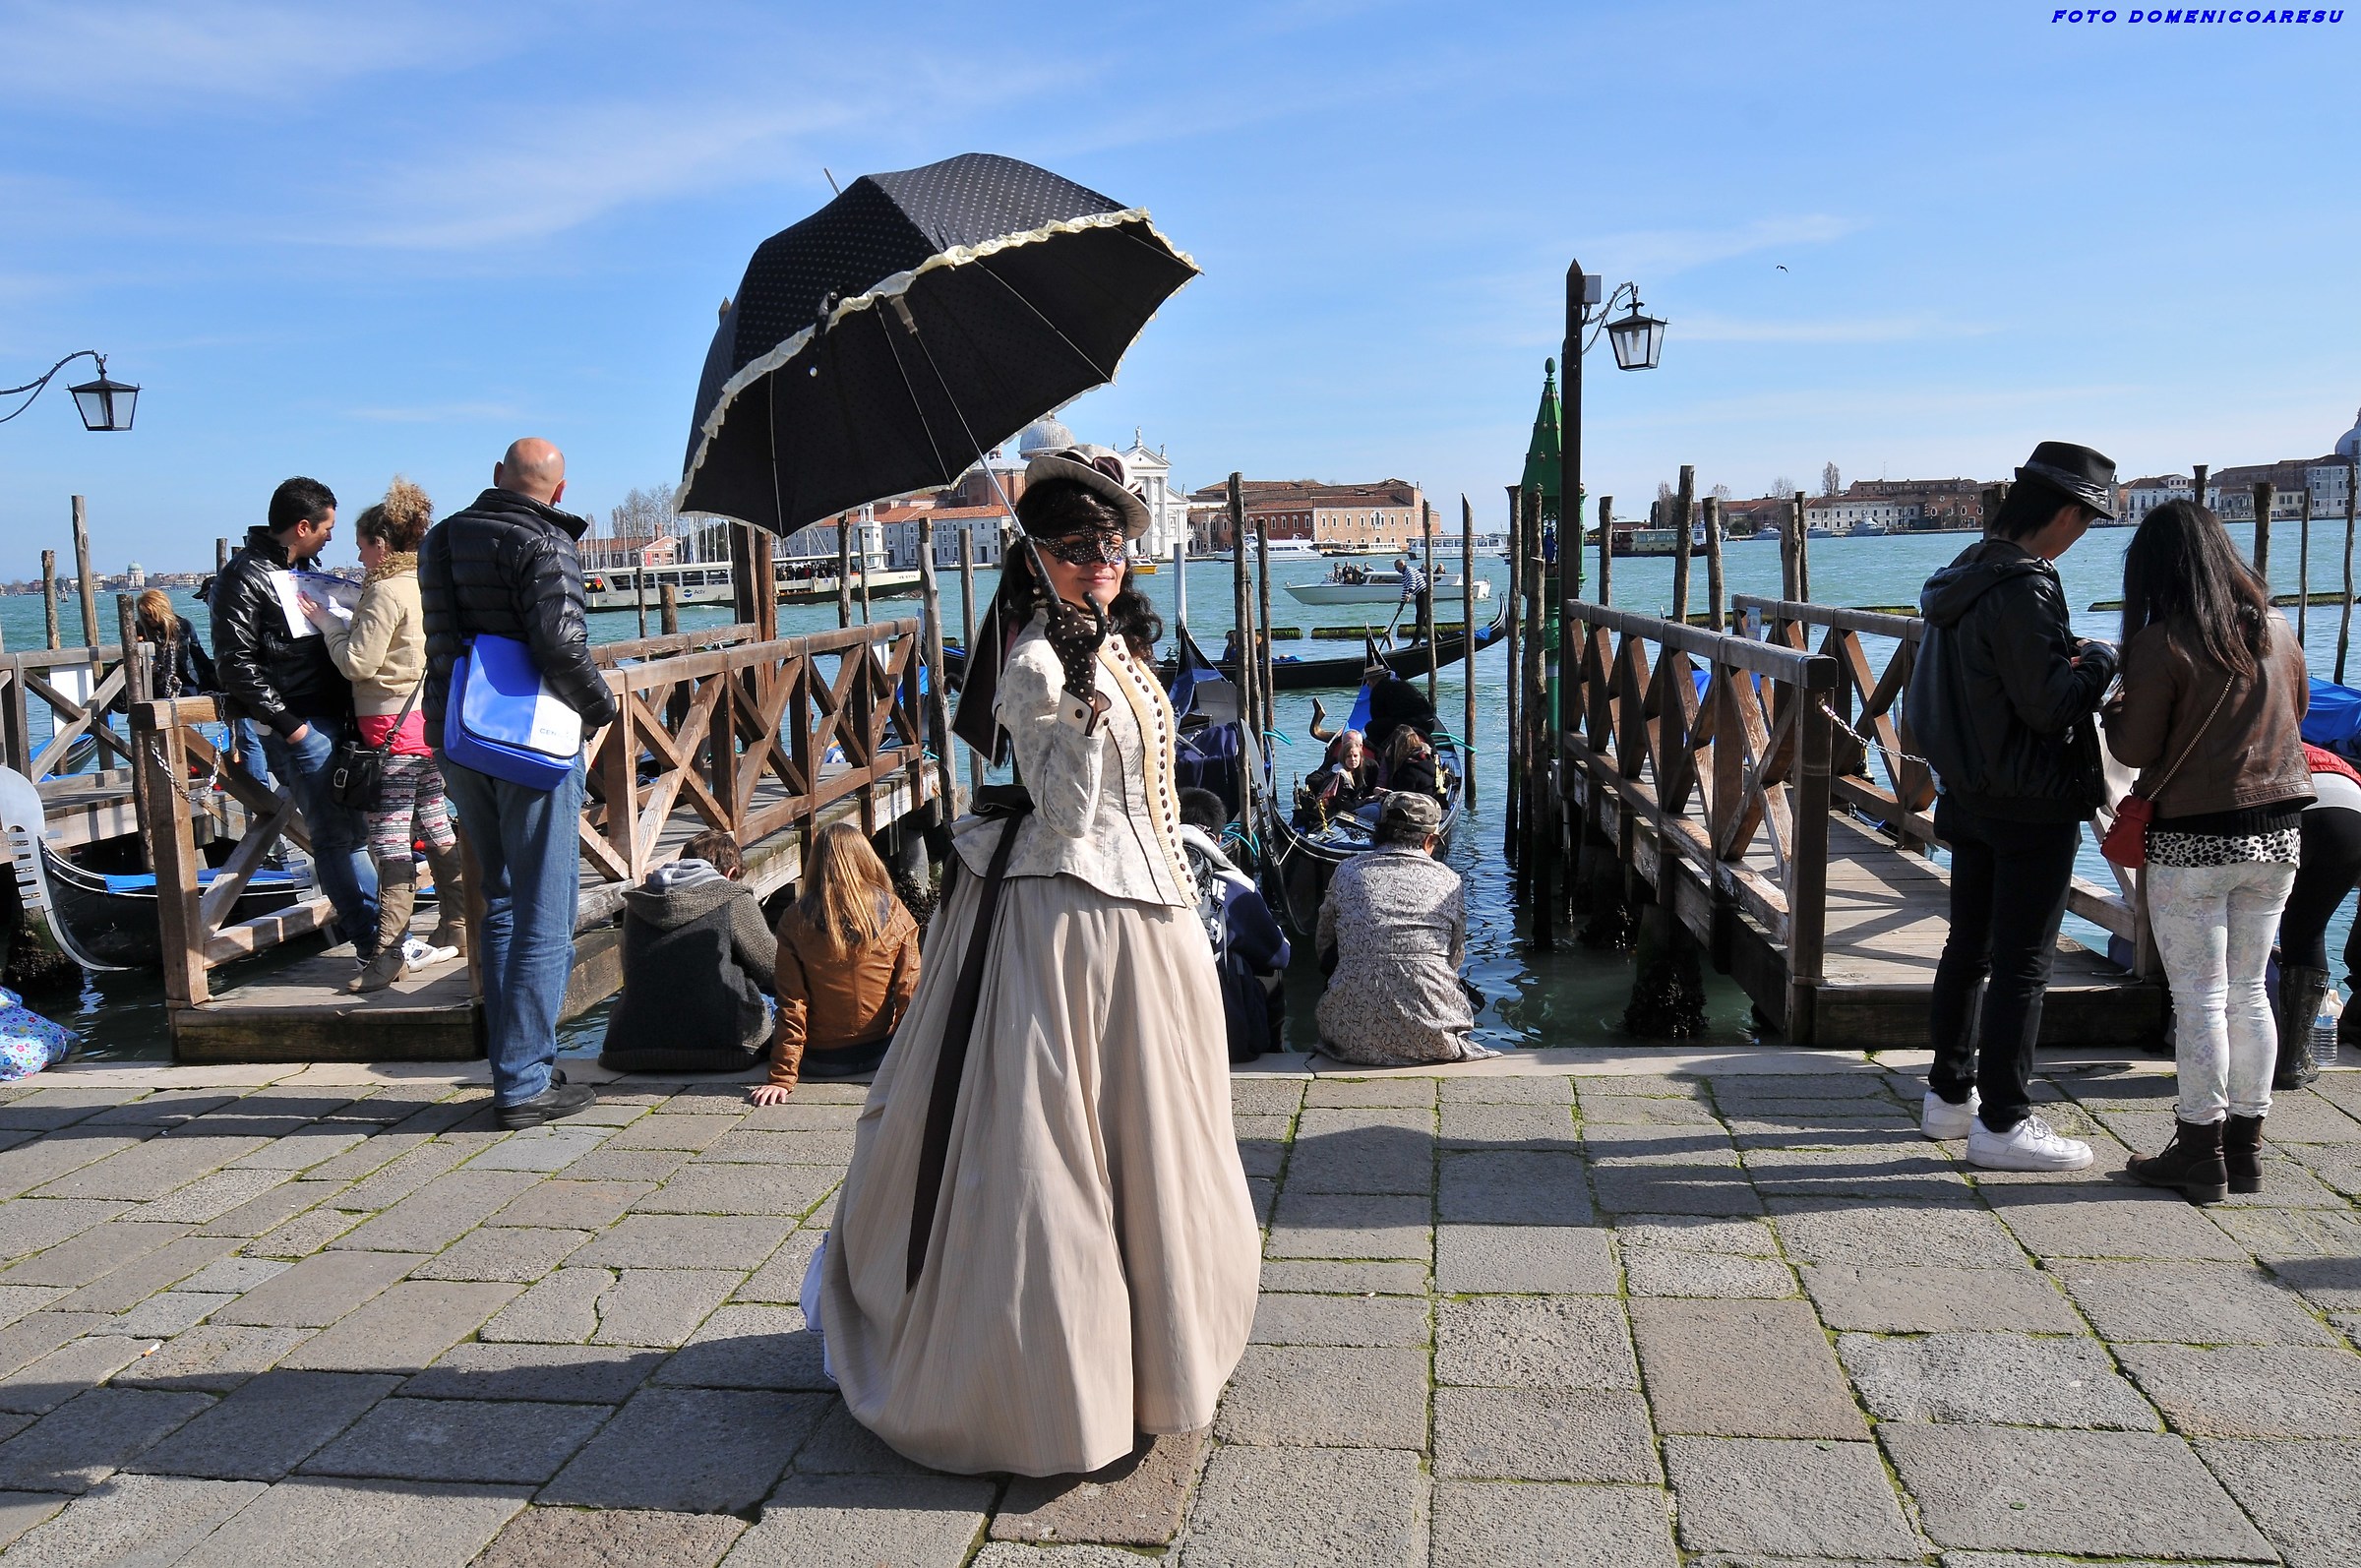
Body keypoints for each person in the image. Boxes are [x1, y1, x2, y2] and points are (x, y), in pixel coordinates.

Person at [811, 444, 1258, 1478]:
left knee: (1156, 1147)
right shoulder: (1034, 664)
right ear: (1038, 559)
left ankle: (1161, 1358)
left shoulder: (1113, 643)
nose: (1102, 565)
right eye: (1077, 550)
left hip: (1150, 920)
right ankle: (1052, 1384)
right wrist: (1077, 692)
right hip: (1068, 929)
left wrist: (1099, 662)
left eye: (1113, 549)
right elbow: (1061, 809)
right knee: (1054, 1156)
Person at [1907, 441, 2120, 1172]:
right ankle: (2002, 1123)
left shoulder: (1962, 572)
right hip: (2031, 799)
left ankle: (1948, 1098)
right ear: (2066, 514)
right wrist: (2100, 659)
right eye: (2086, 523)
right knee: (2024, 964)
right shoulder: (2026, 585)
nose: (2081, 536)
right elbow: (2049, 705)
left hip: (1969, 793)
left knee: (1968, 948)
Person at [2105, 498, 2311, 1204]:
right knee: (2249, 990)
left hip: (2194, 839)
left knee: (2200, 999)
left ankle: (2199, 1151)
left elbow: (2134, 749)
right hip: (2278, 830)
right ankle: (2245, 1151)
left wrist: (2112, 705)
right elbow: (2296, 713)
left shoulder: (2162, 642)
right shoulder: (2277, 629)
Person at [420, 438, 621, 1131]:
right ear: (559, 492)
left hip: (458, 731)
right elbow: (561, 646)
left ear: (497, 476)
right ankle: (526, 1082)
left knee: (501, 901)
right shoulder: (545, 541)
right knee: (545, 909)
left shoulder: (440, 539)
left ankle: (517, 1065)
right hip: (529, 740)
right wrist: (602, 707)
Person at [212, 476, 380, 954]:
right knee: (336, 837)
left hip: (335, 719)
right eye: (326, 528)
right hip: (300, 724)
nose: (331, 537)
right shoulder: (243, 578)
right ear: (303, 527)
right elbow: (235, 664)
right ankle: (374, 943)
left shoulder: (304, 569)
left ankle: (386, 940)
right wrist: (291, 726)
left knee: (355, 834)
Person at [315, 479, 467, 993]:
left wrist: (329, 624)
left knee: (389, 842)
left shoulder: (383, 591)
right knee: (437, 826)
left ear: (381, 544)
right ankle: (458, 924)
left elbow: (358, 663)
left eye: (362, 546)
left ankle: (388, 955)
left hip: (388, 731)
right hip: (429, 723)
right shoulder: (426, 582)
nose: (359, 557)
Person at [754, 820, 922, 1105]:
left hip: (820, 1060)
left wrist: (781, 1077)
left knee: (766, 1000)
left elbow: (793, 1002)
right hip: (880, 1052)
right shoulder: (894, 911)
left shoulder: (795, 919)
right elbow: (910, 992)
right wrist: (912, 1063)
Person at [1313, 790, 1484, 1064]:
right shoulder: (1449, 880)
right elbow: (1454, 958)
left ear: (1380, 831)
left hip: (1350, 1038)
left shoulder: (1346, 871)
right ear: (1429, 840)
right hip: (1435, 1038)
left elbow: (1324, 945)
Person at [600, 829, 777, 1074]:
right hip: (727, 1048)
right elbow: (776, 969)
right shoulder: (732, 897)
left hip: (629, 1047)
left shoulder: (638, 901)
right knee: (778, 994)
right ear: (730, 873)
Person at [1179, 786, 1290, 1059]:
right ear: (1218, 839)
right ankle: (1274, 1053)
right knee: (1270, 971)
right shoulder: (1238, 886)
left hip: (1153, 1028)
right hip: (1224, 1041)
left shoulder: (1142, 880)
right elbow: (1280, 954)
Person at [2277, 743, 2361, 1083]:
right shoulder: (2330, 755)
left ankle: (2243, 1046)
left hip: (2292, 809)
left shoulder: (2256, 743)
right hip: (2351, 816)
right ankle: (2296, 1060)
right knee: (2307, 932)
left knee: (2247, 926)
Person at [1378, 725, 1445, 800]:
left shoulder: (1407, 772)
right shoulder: (1431, 762)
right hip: (1432, 801)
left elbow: (1402, 799)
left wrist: (1383, 793)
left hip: (1414, 804)